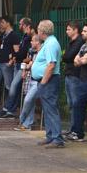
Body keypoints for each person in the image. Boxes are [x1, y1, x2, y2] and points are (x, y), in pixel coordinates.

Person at [33, 20, 64, 148]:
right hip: (47, 80)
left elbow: (51, 65)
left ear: (42, 31)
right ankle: (51, 135)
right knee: (48, 108)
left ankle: (57, 138)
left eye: (38, 30)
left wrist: (43, 83)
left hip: (49, 81)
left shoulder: (51, 44)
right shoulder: (49, 42)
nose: (37, 32)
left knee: (51, 108)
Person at [0, 17, 33, 119]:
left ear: (26, 25)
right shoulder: (24, 36)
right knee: (15, 87)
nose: (19, 26)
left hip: (22, 64)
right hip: (18, 63)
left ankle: (8, 109)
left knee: (13, 86)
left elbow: (24, 52)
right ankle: (9, 109)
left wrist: (15, 55)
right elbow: (20, 50)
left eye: (21, 24)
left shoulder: (29, 37)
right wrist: (14, 56)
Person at [68, 23, 87, 141]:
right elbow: (76, 59)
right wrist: (80, 59)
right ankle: (76, 131)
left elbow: (84, 60)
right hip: (83, 78)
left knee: (78, 103)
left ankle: (78, 132)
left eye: (85, 31)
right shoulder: (84, 45)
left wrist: (80, 59)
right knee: (77, 104)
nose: (82, 33)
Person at [61, 21, 85, 135]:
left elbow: (68, 56)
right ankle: (72, 127)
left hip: (75, 74)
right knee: (71, 103)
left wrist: (66, 56)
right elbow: (66, 56)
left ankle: (76, 129)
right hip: (70, 73)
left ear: (75, 30)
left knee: (75, 102)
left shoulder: (79, 41)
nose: (67, 32)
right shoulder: (72, 42)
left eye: (69, 29)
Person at [15, 34, 41, 131]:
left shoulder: (41, 52)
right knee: (30, 101)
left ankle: (22, 119)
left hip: (37, 80)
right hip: (30, 77)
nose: (31, 42)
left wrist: (30, 65)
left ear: (38, 42)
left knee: (28, 100)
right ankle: (27, 124)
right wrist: (25, 69)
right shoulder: (31, 51)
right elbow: (27, 62)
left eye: (33, 40)